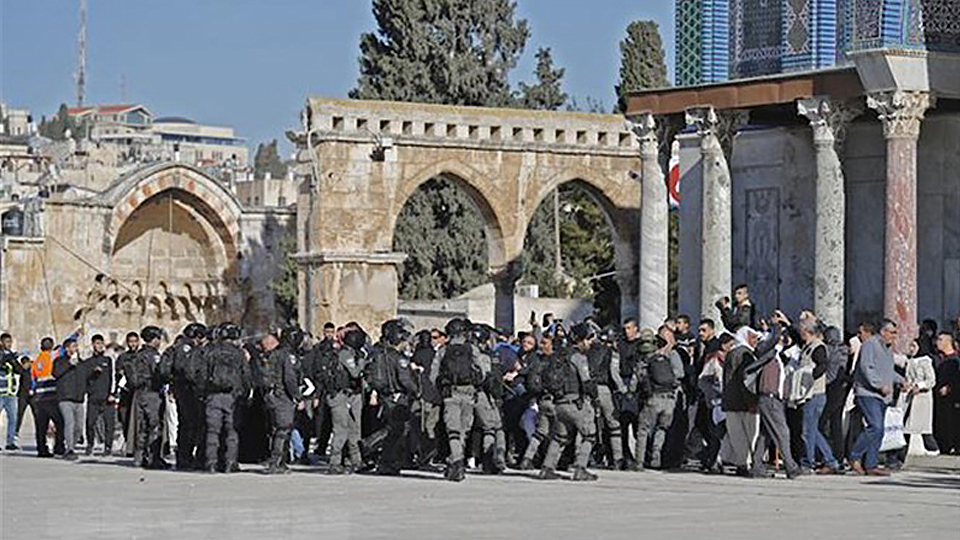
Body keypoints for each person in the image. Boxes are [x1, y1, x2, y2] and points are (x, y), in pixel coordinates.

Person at [743, 311, 801, 479]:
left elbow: (797, 340)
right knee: (783, 433)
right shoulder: (766, 354)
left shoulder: (778, 356)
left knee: (765, 434)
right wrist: (776, 326)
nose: (784, 339)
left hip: (773, 399)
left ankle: (756, 466)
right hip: (769, 399)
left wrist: (786, 324)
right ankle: (791, 466)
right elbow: (771, 343)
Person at [538, 323, 598, 481]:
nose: (591, 342)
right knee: (589, 436)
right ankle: (580, 468)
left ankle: (547, 468)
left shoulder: (559, 355)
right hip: (576, 403)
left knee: (559, 437)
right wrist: (595, 398)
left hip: (559, 403)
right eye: (589, 338)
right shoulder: (579, 357)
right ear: (581, 339)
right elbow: (586, 382)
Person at [848, 320, 907, 475]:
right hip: (868, 393)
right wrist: (879, 385)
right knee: (876, 426)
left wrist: (901, 381)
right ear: (883, 332)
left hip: (882, 396)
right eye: (892, 332)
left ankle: (871, 464)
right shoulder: (870, 345)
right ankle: (854, 456)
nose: (894, 336)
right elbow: (866, 367)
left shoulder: (887, 349)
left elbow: (888, 371)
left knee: (879, 430)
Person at [722, 325, 776, 476]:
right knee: (749, 434)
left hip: (732, 401)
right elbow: (746, 380)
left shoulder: (733, 353)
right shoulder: (745, 354)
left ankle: (742, 464)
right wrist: (751, 401)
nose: (755, 341)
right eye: (753, 338)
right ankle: (750, 464)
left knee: (737, 435)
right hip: (744, 402)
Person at [434, 318, 481, 482]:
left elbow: (434, 375)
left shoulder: (443, 350)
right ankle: (455, 461)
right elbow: (482, 371)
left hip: (450, 393)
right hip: (469, 393)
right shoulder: (472, 349)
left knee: (452, 430)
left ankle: (456, 461)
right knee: (463, 431)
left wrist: (440, 389)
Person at [632, 326, 684, 470]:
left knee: (643, 430)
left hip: (653, 400)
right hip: (669, 400)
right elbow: (677, 376)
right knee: (662, 428)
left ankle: (639, 462)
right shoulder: (665, 359)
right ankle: (656, 454)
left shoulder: (643, 363)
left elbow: (635, 383)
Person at [796, 319, 842, 474]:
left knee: (808, 431)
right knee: (812, 430)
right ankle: (831, 461)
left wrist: (811, 376)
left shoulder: (818, 348)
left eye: (801, 330)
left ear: (807, 331)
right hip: (808, 394)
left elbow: (823, 365)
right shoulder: (808, 347)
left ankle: (808, 463)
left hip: (814, 394)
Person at [203, 323, 250, 473]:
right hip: (232, 397)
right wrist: (245, 393)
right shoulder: (239, 353)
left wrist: (203, 393)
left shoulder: (210, 352)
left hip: (213, 395)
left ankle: (211, 462)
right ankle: (230, 462)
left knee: (212, 431)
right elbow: (246, 375)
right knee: (232, 431)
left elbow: (202, 374)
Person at [321, 327, 366, 474]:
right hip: (339, 395)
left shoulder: (352, 353)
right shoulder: (345, 354)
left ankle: (356, 460)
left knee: (354, 429)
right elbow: (355, 372)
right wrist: (363, 362)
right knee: (341, 429)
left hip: (351, 394)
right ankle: (334, 462)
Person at [260, 329, 301, 474]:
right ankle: (276, 462)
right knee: (283, 429)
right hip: (282, 396)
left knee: (277, 429)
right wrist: (296, 395)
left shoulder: (272, 354)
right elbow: (289, 378)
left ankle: (280, 461)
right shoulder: (286, 355)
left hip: (271, 396)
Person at [127, 326, 168, 469]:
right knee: (155, 426)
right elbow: (161, 374)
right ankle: (153, 458)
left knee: (142, 426)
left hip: (140, 394)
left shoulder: (138, 355)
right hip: (152, 393)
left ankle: (139, 457)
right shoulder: (154, 356)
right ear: (154, 339)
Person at [587, 327, 626, 469]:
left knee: (589, 424)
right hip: (604, 389)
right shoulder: (612, 352)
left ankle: (583, 457)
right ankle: (617, 459)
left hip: (588, 389)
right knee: (613, 424)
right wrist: (623, 390)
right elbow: (614, 374)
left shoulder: (589, 350)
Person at [698, 333, 734, 472]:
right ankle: (713, 461)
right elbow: (702, 380)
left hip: (729, 401)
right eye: (730, 345)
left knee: (725, 433)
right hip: (715, 402)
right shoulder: (714, 359)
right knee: (716, 433)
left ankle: (722, 459)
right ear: (724, 345)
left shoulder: (731, 359)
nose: (732, 348)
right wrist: (714, 391)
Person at [31, 337, 65, 457]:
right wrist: (77, 334)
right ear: (51, 346)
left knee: (41, 426)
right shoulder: (52, 356)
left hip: (39, 397)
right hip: (51, 396)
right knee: (60, 422)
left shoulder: (37, 360)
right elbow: (65, 347)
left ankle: (41, 449)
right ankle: (59, 447)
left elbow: (33, 379)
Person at [83, 334, 116, 456]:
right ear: (93, 345)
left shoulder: (108, 361)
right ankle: (90, 444)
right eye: (97, 344)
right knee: (90, 423)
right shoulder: (88, 362)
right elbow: (84, 379)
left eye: (101, 344)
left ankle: (108, 447)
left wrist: (112, 393)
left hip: (107, 397)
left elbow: (113, 378)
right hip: (93, 397)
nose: (99, 346)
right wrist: (93, 373)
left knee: (109, 424)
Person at [53, 338, 85, 460]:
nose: (75, 349)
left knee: (79, 427)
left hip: (79, 398)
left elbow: (84, 378)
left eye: (76, 346)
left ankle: (73, 444)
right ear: (66, 349)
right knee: (69, 423)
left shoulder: (80, 363)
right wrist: (69, 364)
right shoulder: (59, 361)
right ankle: (69, 449)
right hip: (65, 398)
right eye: (72, 346)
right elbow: (56, 373)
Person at [933, 331, 960, 454]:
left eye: (940, 340)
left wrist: (950, 388)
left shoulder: (955, 360)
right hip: (938, 397)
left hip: (952, 398)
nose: (937, 342)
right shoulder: (937, 359)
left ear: (947, 342)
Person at [1, 333, 23, 450]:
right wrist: (6, 359)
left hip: (10, 393)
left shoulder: (11, 355)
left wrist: (15, 361)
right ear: (1, 342)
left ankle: (11, 442)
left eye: (10, 342)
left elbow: (19, 371)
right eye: (6, 342)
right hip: (0, 392)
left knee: (13, 418)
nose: (9, 344)